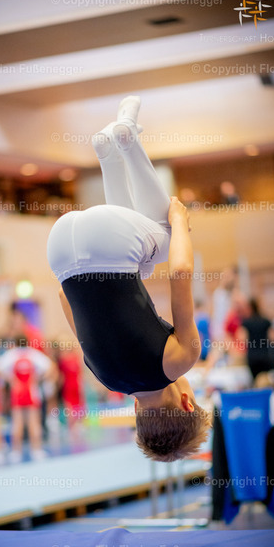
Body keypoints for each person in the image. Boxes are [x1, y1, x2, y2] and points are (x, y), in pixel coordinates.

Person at [47, 96, 211, 462]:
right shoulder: (104, 377)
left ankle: (127, 139)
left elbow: (181, 273)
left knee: (165, 236)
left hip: (109, 241)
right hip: (60, 247)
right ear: (136, 411)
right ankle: (107, 152)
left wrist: (180, 222)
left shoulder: (179, 362)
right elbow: (63, 297)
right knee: (142, 266)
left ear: (187, 402)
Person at [0, 336, 55, 462]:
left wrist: (11, 380)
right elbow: (50, 367)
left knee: (17, 423)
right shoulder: (33, 354)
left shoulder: (11, 355)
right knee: (34, 423)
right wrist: (38, 378)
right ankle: (37, 450)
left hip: (17, 394)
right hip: (32, 393)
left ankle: (16, 452)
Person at [238, 298, 274, 379]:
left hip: (252, 356)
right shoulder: (266, 321)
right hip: (265, 355)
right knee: (267, 379)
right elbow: (273, 338)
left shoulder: (246, 322)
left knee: (255, 379)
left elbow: (242, 339)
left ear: (250, 308)